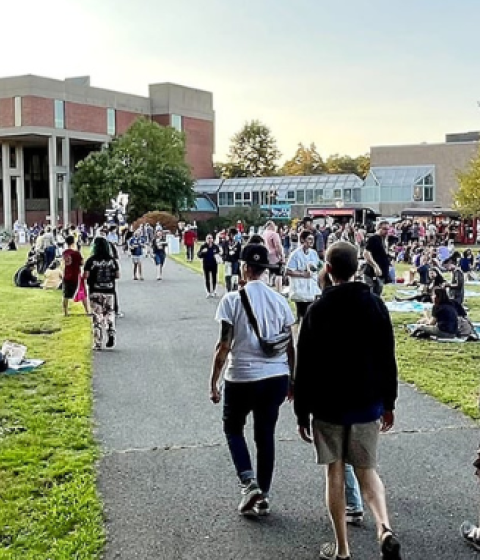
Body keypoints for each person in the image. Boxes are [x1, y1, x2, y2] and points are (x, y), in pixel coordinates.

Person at [294, 242, 401, 560]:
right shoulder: (375, 306)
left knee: (335, 472)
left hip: (328, 406)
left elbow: (306, 366)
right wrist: (389, 401)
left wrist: (301, 412)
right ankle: (384, 527)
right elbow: (387, 358)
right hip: (367, 402)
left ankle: (342, 549)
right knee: (368, 471)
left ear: (328, 268)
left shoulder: (316, 310)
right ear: (357, 267)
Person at [210, 244, 295, 516]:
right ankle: (264, 496)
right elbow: (290, 345)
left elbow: (224, 346)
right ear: (266, 270)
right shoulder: (280, 300)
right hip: (276, 376)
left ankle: (248, 483)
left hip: (242, 376)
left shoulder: (232, 300)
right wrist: (292, 378)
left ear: (245, 268)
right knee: (265, 435)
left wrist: (214, 382)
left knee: (233, 428)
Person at [83, 237, 119, 350]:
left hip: (95, 290)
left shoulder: (91, 260)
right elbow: (117, 275)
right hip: (109, 290)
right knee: (109, 311)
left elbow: (86, 275)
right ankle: (111, 329)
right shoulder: (112, 260)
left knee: (97, 315)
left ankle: (98, 342)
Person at [286, 230, 321, 325]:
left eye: (313, 239)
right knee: (303, 315)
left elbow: (318, 267)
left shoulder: (313, 253)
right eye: (309, 239)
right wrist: (302, 274)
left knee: (310, 314)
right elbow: (288, 271)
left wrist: (314, 268)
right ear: (302, 240)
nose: (311, 241)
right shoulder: (295, 254)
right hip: (300, 290)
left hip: (311, 290)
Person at [363, 220, 391, 296]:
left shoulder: (383, 240)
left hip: (381, 273)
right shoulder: (373, 239)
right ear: (378, 228)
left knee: (377, 294)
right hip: (372, 273)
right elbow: (366, 253)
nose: (387, 231)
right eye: (384, 229)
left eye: (388, 229)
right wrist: (375, 266)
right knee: (371, 295)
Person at [62, 235, 88, 316]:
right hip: (75, 275)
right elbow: (82, 263)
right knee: (82, 292)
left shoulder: (65, 252)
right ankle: (87, 310)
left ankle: (66, 312)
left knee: (66, 295)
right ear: (73, 242)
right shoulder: (76, 253)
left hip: (67, 274)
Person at [262, 221, 285, 292]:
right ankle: (279, 291)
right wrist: (281, 256)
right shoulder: (274, 234)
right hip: (275, 257)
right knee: (279, 275)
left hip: (266, 257)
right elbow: (278, 246)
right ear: (271, 226)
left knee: (268, 275)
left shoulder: (263, 234)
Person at [224, 228, 242, 292]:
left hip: (235, 261)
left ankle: (235, 289)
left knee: (235, 275)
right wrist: (224, 258)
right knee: (228, 276)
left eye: (234, 235)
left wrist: (239, 259)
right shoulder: (226, 243)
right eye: (232, 234)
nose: (233, 236)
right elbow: (224, 252)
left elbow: (239, 253)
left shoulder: (238, 244)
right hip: (228, 261)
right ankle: (228, 289)